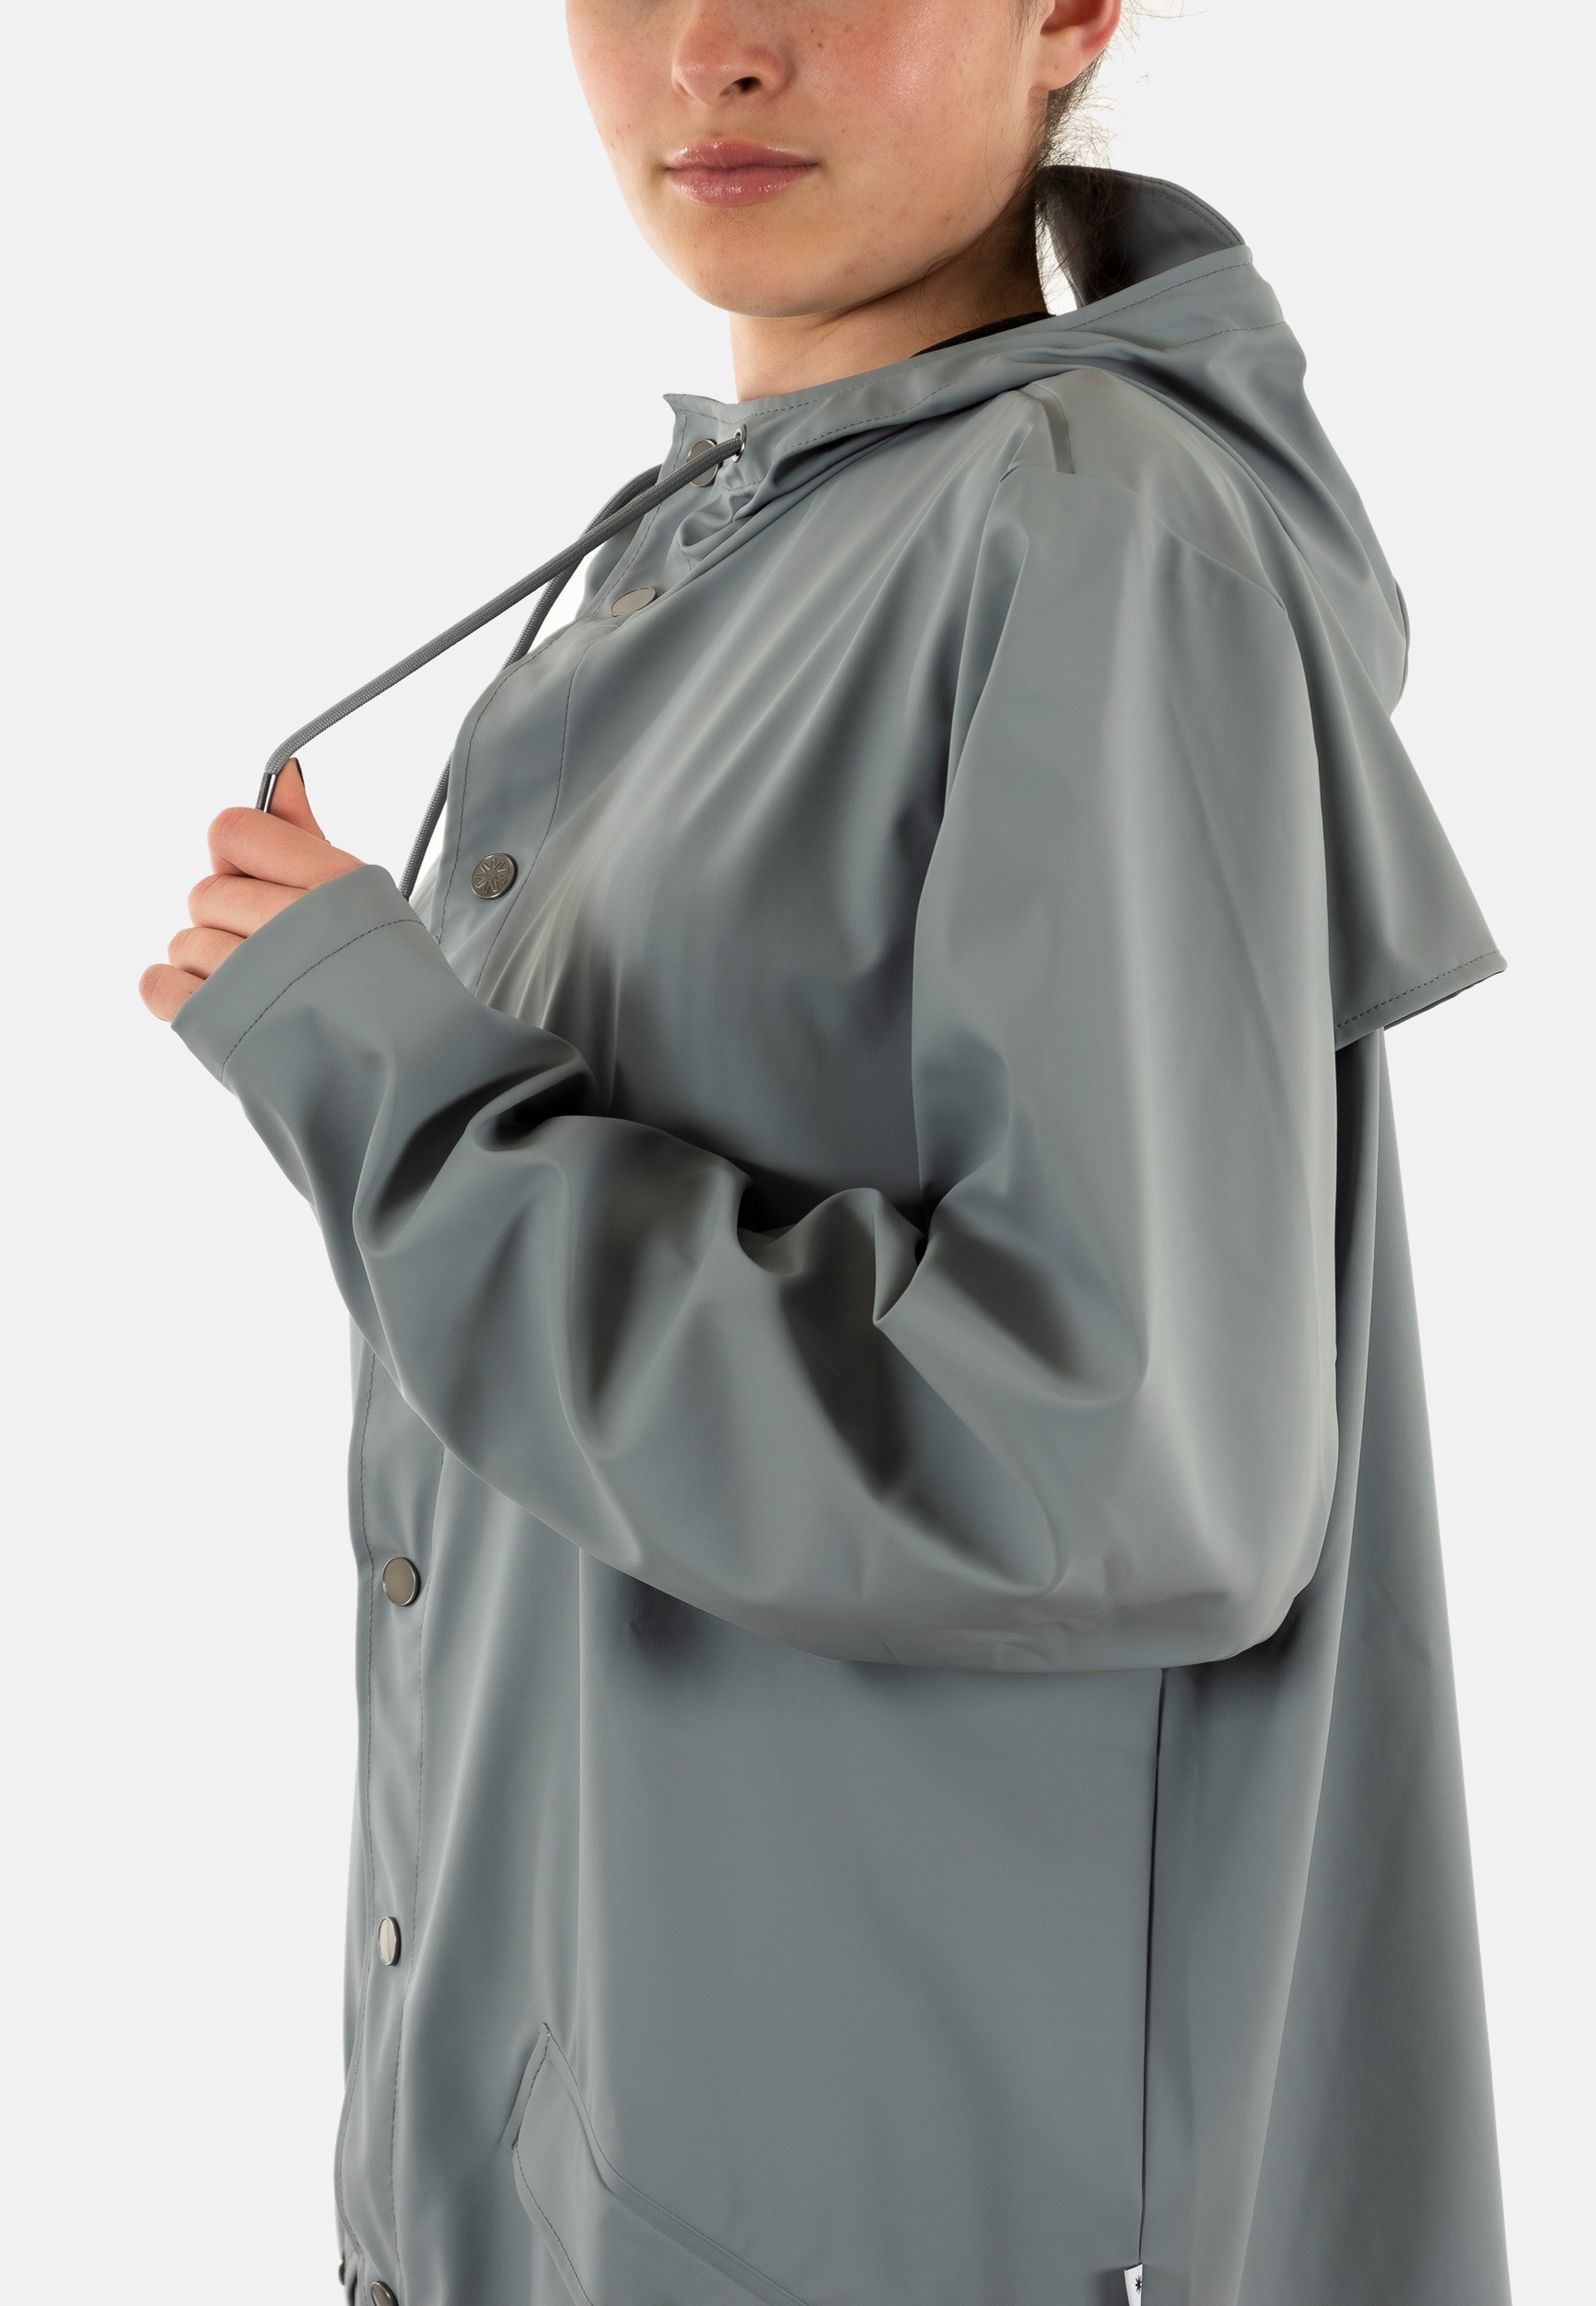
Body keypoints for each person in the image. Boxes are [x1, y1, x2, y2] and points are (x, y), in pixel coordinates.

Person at [139, 4, 1512, 2302]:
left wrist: (392, 1080)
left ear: (1065, 13)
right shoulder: (727, 553)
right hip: (616, 2171)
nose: (716, 49)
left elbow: (1098, 1469)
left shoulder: (1085, 527)